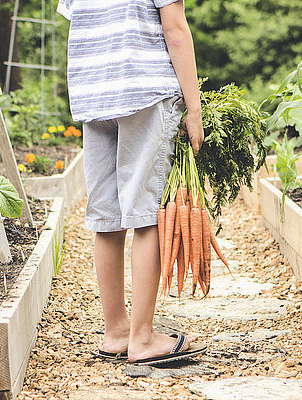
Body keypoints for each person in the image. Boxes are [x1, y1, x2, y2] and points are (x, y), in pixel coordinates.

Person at [57, 0, 207, 365]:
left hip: (94, 95)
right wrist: (194, 107)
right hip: (143, 90)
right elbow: (174, 30)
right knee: (146, 214)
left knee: (105, 216)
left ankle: (116, 332)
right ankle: (142, 338)